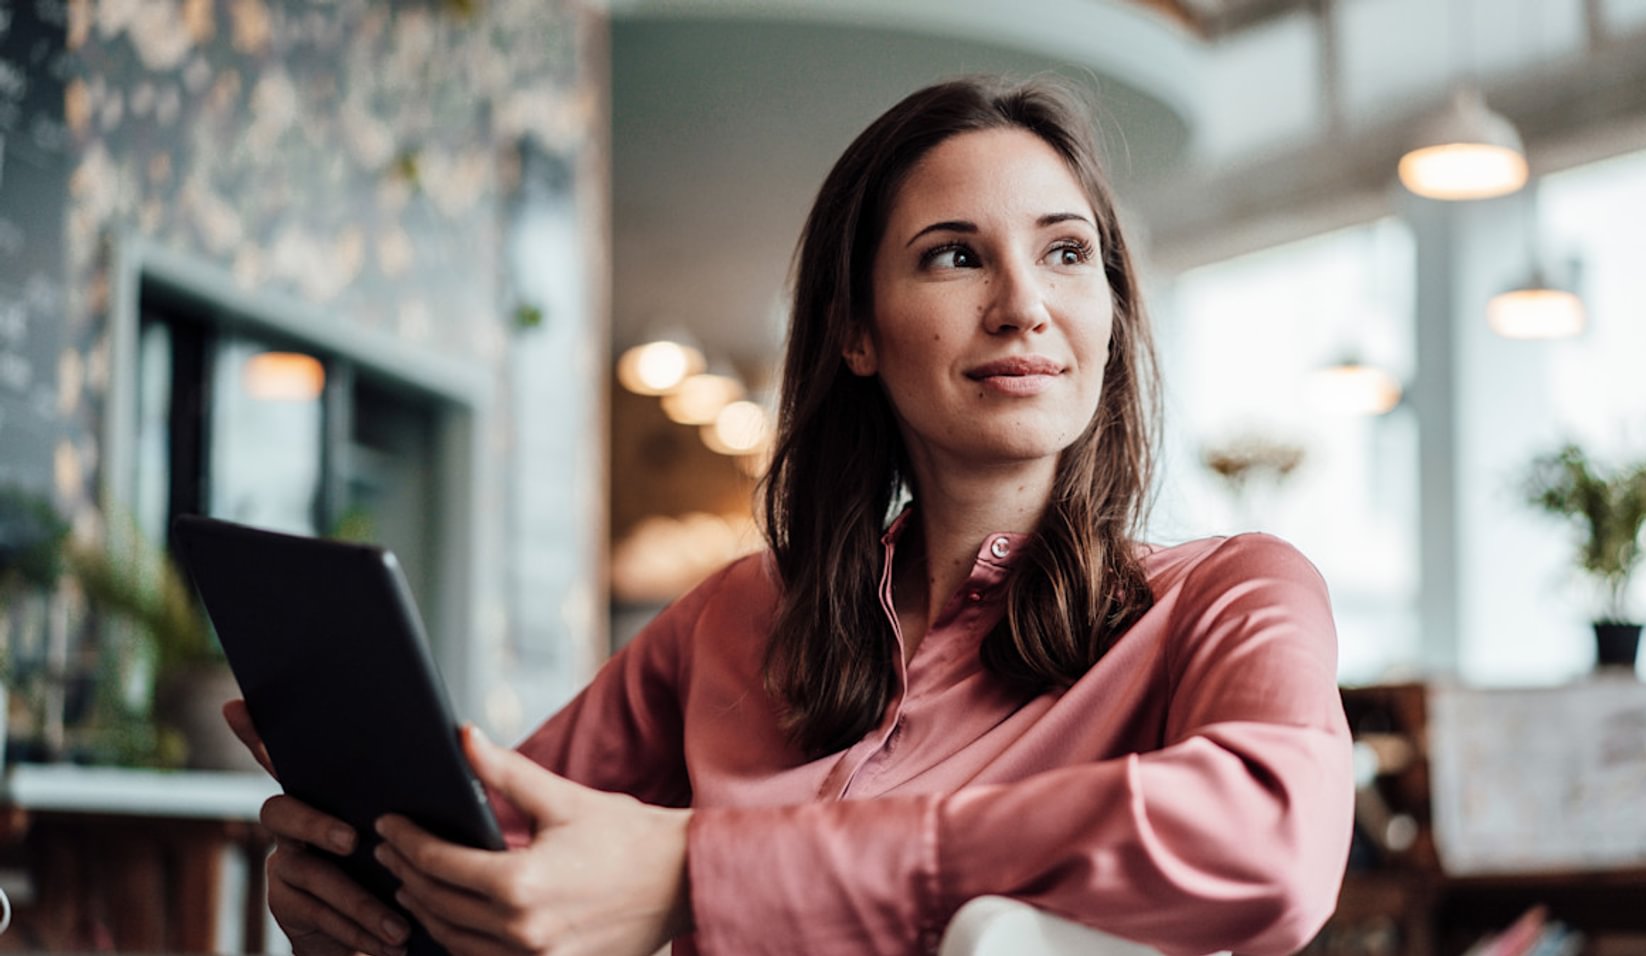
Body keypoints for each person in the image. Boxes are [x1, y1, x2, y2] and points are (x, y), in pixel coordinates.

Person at [229, 77, 1354, 956]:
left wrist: (701, 867)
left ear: (1110, 311)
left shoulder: (1230, 593)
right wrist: (363, 886)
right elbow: (514, 855)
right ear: (855, 332)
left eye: (1066, 252)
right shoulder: (737, 614)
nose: (1023, 305)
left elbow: (1271, 838)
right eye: (955, 255)